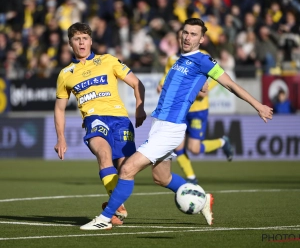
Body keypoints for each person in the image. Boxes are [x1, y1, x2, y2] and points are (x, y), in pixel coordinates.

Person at [80, 18, 273, 231]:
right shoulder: (179, 59)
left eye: (193, 34)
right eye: (185, 33)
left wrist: (258, 106)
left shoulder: (203, 60)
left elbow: (230, 84)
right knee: (161, 178)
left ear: (202, 39)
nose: (188, 37)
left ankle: (105, 218)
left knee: (127, 169)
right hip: (159, 126)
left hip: (171, 128)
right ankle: (203, 198)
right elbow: (186, 86)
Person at [54, 22, 147, 226]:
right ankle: (113, 211)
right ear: (70, 43)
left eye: (85, 38)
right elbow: (59, 108)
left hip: (121, 120)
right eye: (77, 39)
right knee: (104, 154)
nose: (81, 42)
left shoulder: (108, 60)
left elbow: (136, 83)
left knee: (126, 171)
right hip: (94, 120)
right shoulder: (65, 74)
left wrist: (140, 105)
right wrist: (60, 137)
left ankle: (111, 207)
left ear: (91, 41)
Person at [157, 28, 233, 184]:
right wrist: (161, 85)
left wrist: (205, 90)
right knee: (177, 146)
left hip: (198, 109)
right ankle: (191, 177)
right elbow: (167, 76)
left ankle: (223, 142)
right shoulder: (173, 59)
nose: (186, 39)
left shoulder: (203, 56)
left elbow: (215, 77)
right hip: (181, 109)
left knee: (194, 149)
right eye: (182, 36)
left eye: (190, 35)